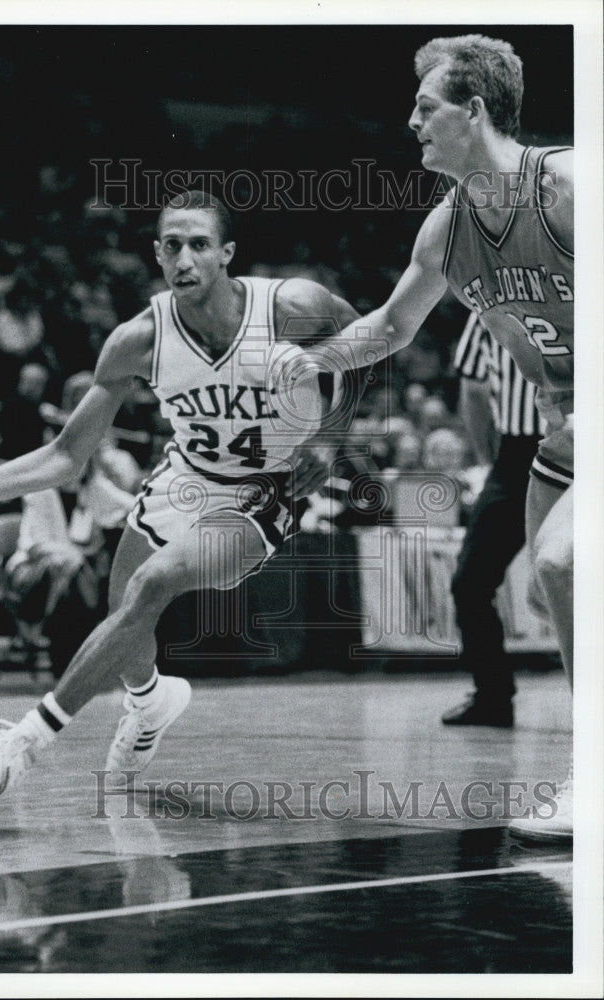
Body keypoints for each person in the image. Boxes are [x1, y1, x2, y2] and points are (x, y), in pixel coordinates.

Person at [0, 190, 358, 806]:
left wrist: (329, 436)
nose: (184, 258)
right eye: (171, 245)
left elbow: (367, 341)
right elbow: (65, 457)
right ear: (156, 254)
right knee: (125, 621)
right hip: (185, 476)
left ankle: (19, 748)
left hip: (262, 489)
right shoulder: (138, 340)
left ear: (227, 253)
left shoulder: (292, 306)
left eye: (198, 244)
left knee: (153, 583)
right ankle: (151, 705)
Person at [308, 35, 573, 842]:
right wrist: (294, 364)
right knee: (550, 589)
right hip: (565, 436)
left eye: (426, 106)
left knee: (564, 562)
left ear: (475, 110)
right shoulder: (446, 230)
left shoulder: (565, 187)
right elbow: (388, 328)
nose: (410, 121)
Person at [442, 312, 542, 727]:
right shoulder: (485, 302)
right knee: (470, 581)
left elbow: (473, 390)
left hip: (578, 447)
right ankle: (492, 695)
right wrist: (491, 464)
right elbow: (473, 388)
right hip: (518, 456)